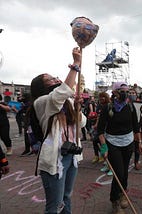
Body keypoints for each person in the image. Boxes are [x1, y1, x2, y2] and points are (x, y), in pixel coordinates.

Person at [30, 47, 86, 213]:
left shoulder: (65, 101)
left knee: (67, 196)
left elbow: (81, 124)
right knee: (54, 205)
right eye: (49, 79)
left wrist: (77, 108)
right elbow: (58, 96)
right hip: (55, 159)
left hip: (71, 155)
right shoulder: (42, 102)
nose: (55, 78)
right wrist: (76, 64)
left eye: (54, 76)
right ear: (41, 86)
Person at [97, 82, 142, 214]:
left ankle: (122, 193)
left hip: (128, 143)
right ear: (115, 92)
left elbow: (135, 126)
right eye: (122, 90)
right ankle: (114, 201)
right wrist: (104, 147)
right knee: (119, 172)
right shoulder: (107, 108)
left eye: (127, 91)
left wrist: (139, 141)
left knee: (125, 173)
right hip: (113, 143)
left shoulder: (130, 106)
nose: (126, 93)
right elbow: (100, 130)